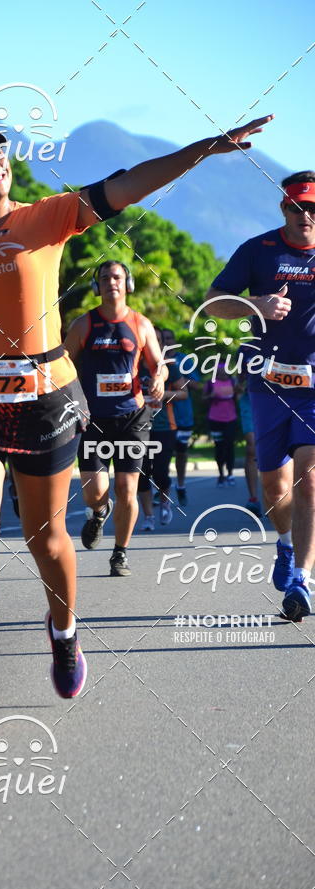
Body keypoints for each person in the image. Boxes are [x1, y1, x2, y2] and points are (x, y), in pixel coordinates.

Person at [0, 115, 273, 724]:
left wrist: (205, 149)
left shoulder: (46, 217)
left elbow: (129, 183)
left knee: (44, 539)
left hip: (43, 400)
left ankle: (64, 629)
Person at [205, 170, 315, 621]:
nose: (305, 215)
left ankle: (302, 581)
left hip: (313, 390)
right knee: (275, 487)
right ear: (283, 207)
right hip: (268, 386)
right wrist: (256, 305)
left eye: (312, 207)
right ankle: (285, 545)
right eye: (297, 206)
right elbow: (212, 301)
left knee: (310, 480)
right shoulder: (258, 250)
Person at [64, 260, 165, 576]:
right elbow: (63, 366)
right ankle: (99, 512)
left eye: (117, 277)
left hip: (131, 418)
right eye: (105, 277)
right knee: (93, 492)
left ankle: (120, 553)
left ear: (128, 284)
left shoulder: (141, 324)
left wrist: (159, 378)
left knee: (127, 488)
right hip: (92, 419)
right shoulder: (84, 325)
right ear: (97, 286)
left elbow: (157, 365)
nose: (111, 282)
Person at [137, 329, 188, 527]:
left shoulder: (168, 367)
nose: (154, 343)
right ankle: (148, 516)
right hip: (137, 426)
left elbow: (183, 394)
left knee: (160, 473)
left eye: (158, 340)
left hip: (164, 426)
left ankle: (165, 503)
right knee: (141, 473)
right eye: (152, 339)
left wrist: (163, 394)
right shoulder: (133, 366)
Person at [160, 327, 201, 507]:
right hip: (161, 417)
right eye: (164, 338)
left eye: (170, 338)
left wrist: (178, 376)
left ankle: (181, 485)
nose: (167, 341)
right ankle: (162, 488)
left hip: (183, 414)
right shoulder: (154, 359)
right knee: (163, 456)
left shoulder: (184, 360)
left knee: (181, 452)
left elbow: (197, 385)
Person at [203, 364, 238, 486]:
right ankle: (221, 474)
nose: (223, 374)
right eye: (219, 372)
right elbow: (203, 399)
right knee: (219, 447)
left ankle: (230, 474)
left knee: (229, 445)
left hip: (231, 419)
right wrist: (210, 396)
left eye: (224, 372)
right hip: (215, 419)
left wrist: (238, 393)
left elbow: (237, 398)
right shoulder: (210, 383)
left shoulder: (233, 382)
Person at [237, 344, 261, 516]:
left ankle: (280, 496)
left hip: (277, 400)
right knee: (251, 447)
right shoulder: (245, 349)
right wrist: (240, 385)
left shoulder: (282, 337)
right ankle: (253, 498)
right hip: (250, 399)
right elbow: (240, 377)